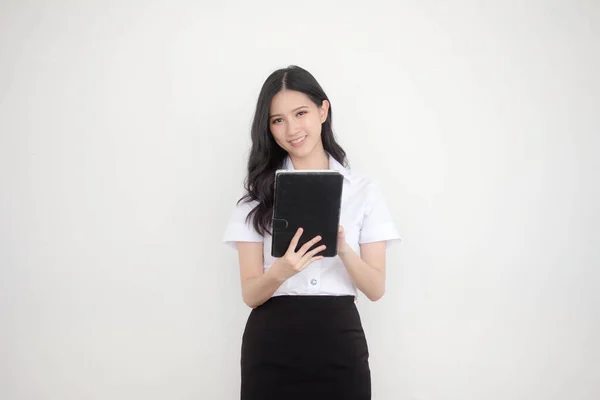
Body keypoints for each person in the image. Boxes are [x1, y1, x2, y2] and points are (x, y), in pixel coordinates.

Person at [222, 65, 401, 400]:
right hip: (271, 344)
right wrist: (281, 271)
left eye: (300, 113)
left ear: (323, 110)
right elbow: (250, 295)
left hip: (339, 341)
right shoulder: (255, 198)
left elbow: (376, 289)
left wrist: (344, 248)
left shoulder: (363, 191)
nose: (291, 128)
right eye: (278, 120)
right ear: (269, 128)